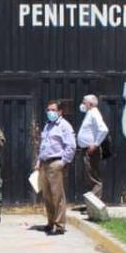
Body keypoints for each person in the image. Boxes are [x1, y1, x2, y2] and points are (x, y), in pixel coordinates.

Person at [36, 100, 77, 235]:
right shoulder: (48, 126)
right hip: (45, 163)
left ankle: (59, 225)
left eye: (53, 110)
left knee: (57, 196)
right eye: (48, 110)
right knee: (47, 195)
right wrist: (39, 161)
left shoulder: (64, 126)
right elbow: (43, 146)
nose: (50, 112)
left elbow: (71, 146)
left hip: (56, 163)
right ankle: (50, 222)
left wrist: (63, 162)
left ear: (60, 112)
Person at [77, 94, 109, 199]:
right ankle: (92, 204)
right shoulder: (90, 113)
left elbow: (104, 129)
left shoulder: (94, 113)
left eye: (84, 102)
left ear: (90, 104)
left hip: (91, 151)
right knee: (89, 177)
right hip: (86, 150)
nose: (82, 104)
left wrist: (95, 144)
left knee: (94, 178)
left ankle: (94, 204)